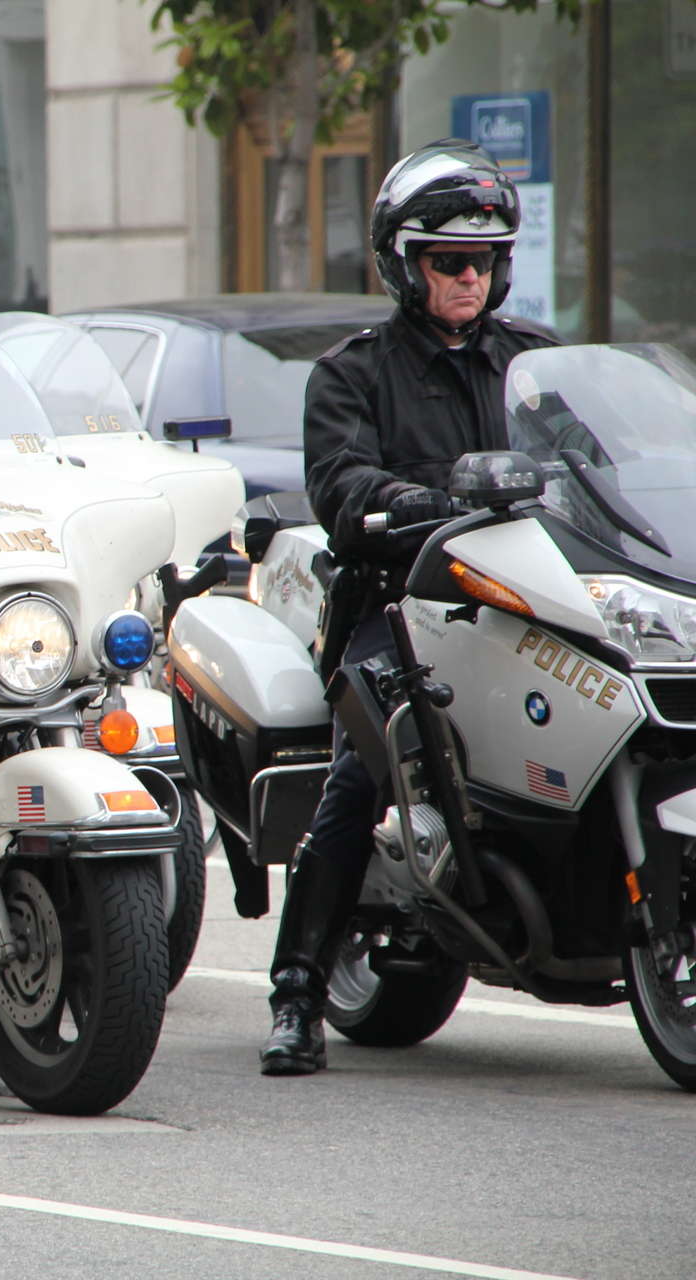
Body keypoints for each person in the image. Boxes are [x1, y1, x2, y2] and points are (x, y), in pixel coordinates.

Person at [261, 138, 559, 1076]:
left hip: (531, 608)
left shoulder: (538, 364)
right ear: (405, 264)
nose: (469, 277)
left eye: (484, 260)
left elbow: (606, 466)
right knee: (368, 765)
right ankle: (297, 994)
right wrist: (417, 503)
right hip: (399, 609)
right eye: (449, 261)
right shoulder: (353, 373)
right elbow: (341, 484)